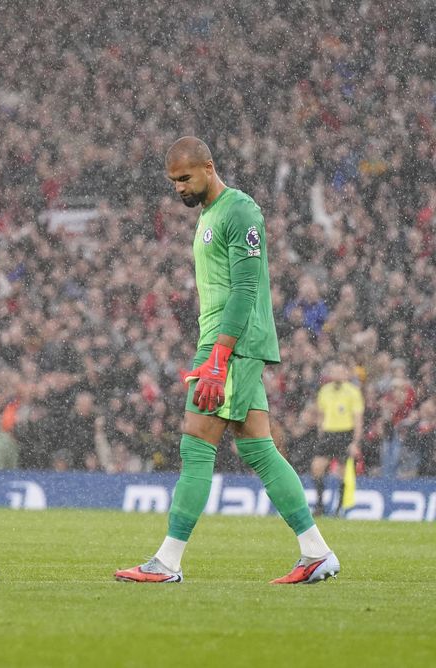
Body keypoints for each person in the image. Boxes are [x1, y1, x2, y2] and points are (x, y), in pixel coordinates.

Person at [115, 137, 339, 585]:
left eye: (185, 178)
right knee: (260, 450)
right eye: (172, 181)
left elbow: (244, 289)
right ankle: (316, 552)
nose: (178, 188)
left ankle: (168, 561)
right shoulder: (210, 216)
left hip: (229, 346)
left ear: (208, 167)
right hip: (227, 344)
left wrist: (218, 356)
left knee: (195, 446)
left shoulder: (239, 211)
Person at [312, 361, 363, 515]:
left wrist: (355, 442)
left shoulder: (353, 392)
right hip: (328, 434)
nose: (337, 375)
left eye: (340, 372)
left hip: (345, 434)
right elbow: (320, 415)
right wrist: (320, 432)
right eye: (334, 372)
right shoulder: (324, 391)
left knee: (341, 472)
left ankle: (339, 508)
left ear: (346, 374)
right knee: (317, 467)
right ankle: (320, 505)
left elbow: (358, 419)